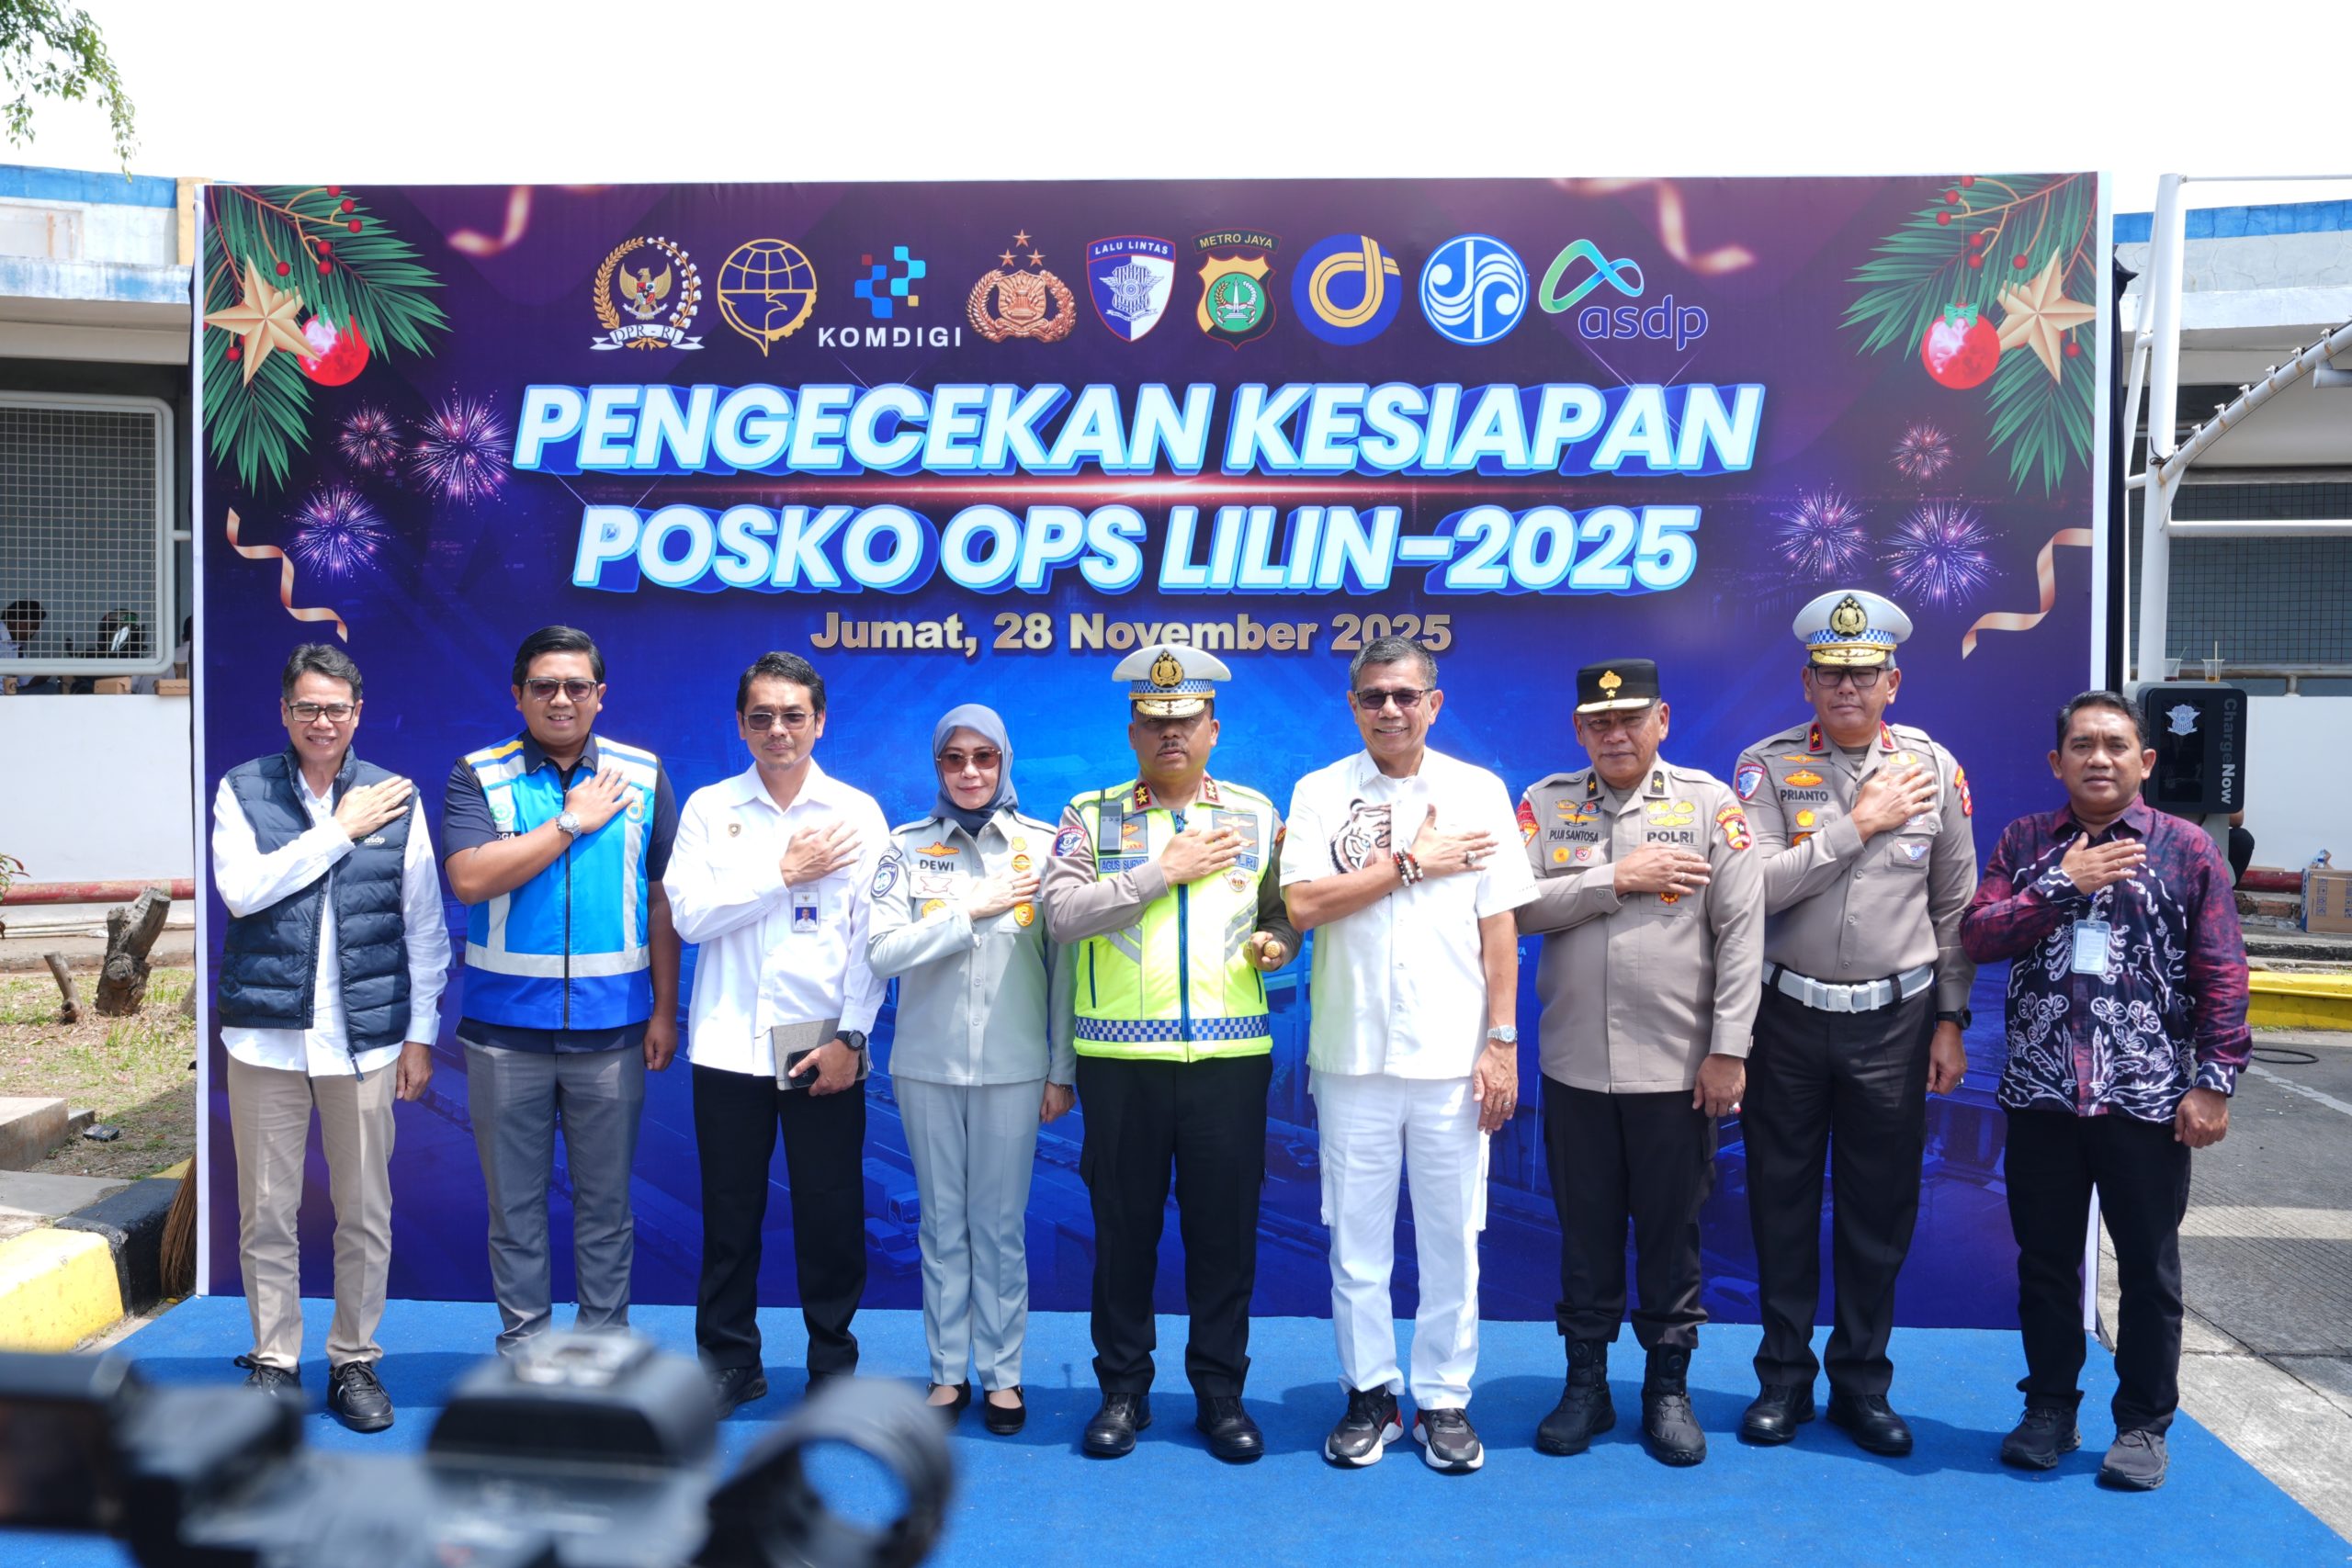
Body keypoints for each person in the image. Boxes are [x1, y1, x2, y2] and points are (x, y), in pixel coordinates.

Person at [1961, 690, 2249, 1492]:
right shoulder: (2025, 841)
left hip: (2147, 1101)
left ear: (2145, 761)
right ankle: (2049, 1407)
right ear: (2056, 762)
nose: (2099, 758)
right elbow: (1978, 934)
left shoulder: (2188, 848)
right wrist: (2062, 882)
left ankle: (2143, 1424)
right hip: (2043, 1097)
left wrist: (2215, 1082)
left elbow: (2224, 971)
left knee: (2149, 1270)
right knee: (2046, 1264)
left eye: (2116, 745)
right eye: (2082, 745)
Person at [1729, 589, 1977, 1457]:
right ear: (1806, 681)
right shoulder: (1764, 768)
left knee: (1880, 1207)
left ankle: (1863, 1384)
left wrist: (1951, 1018)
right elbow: (1753, 888)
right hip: (1787, 1016)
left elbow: (1954, 907)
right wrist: (1857, 823)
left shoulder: (1934, 768)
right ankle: (1783, 1380)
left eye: (1864, 673)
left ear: (1892, 682)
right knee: (1781, 1200)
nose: (1847, 687)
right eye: (1831, 672)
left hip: (1895, 1021)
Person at [1038, 642, 1297, 1463]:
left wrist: (1278, 944)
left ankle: (1220, 1393)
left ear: (1213, 728)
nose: (1170, 734)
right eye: (1154, 722)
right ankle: (1123, 1390)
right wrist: (1160, 872)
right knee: (1123, 1233)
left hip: (1230, 1062)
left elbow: (1282, 913)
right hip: (1120, 1067)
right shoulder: (1091, 814)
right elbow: (1061, 915)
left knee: (1225, 1236)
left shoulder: (1256, 813)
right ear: (1133, 733)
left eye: (1186, 720)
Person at [1282, 635, 1535, 1473]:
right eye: (1372, 697)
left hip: (1452, 1056)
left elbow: (1499, 927)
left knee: (1453, 1239)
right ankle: (1369, 1394)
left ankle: (1444, 1399)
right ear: (1352, 706)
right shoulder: (1321, 793)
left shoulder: (1478, 791)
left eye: (1404, 695)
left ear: (1434, 702)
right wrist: (1411, 864)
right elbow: (1305, 904)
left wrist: (1502, 1042)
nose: (1389, 709)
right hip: (1351, 1055)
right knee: (1355, 1243)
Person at [1515, 659, 1762, 1468]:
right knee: (1583, 1233)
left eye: (1630, 719)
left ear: (1663, 720)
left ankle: (1667, 1388)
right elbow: (1514, 906)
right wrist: (1613, 878)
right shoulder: (1547, 803)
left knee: (1671, 1233)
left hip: (1677, 1067)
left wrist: (1729, 1048)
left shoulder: (1709, 805)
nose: (1614, 734)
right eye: (1599, 722)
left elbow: (1742, 931)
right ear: (1578, 730)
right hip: (1576, 1065)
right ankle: (1586, 1385)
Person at [210, 643, 447, 1430]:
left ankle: (354, 1360)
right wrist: (338, 832)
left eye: (336, 708)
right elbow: (242, 893)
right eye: (308, 706)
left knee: (365, 1209)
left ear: (358, 713)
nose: (322, 720)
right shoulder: (242, 789)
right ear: (285, 711)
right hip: (266, 1039)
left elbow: (424, 925)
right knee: (266, 1210)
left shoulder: (396, 797)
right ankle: (275, 1362)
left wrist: (420, 1033)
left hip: (366, 1041)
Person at [442, 626, 681, 1355]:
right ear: (518, 694)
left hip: (613, 1030)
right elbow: (470, 878)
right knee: (515, 1209)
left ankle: (602, 1348)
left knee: (606, 1208)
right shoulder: (479, 773)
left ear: (600, 696)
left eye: (577, 686)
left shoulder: (643, 775)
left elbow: (662, 899)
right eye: (543, 685)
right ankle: (526, 1351)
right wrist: (572, 821)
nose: (561, 699)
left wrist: (664, 1010)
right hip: (504, 1032)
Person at [664, 651, 890, 1417]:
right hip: (728, 1041)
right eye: (761, 716)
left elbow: (871, 939)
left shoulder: (856, 813)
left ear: (819, 721)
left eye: (794, 715)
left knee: (831, 1215)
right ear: (740, 724)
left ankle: (832, 1366)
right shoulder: (710, 808)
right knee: (730, 1217)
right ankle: (731, 1361)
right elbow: (691, 917)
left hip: (819, 1041)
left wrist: (852, 1038)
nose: (778, 729)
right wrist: (781, 872)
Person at [867, 704, 1075, 1434]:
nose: (970, 771)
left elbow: (1063, 972)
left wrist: (1060, 1069)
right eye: (954, 758)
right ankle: (947, 1372)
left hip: (1014, 1068)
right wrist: (968, 912)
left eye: (984, 757)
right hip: (926, 1066)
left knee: (1000, 1227)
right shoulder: (905, 848)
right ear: (938, 766)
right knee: (940, 1225)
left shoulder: (1043, 848)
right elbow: (882, 952)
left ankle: (1004, 1374)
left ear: (1004, 760)